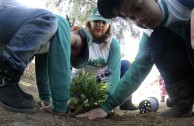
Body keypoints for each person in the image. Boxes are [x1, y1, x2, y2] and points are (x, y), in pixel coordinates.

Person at [76, 0, 194, 120]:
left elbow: (113, 71)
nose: (140, 20)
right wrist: (107, 106)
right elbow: (136, 71)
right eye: (132, 17)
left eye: (138, 8)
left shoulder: (180, 4)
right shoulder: (149, 36)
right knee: (158, 39)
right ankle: (182, 102)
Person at [0, 1, 92, 114]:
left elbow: (42, 69)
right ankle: (4, 78)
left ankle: (10, 80)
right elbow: (60, 65)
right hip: (3, 13)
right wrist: (60, 104)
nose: (67, 50)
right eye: (73, 45)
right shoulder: (60, 23)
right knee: (50, 19)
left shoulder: (44, 38)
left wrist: (45, 98)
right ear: (75, 29)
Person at [73, 7, 137, 110]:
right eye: (96, 21)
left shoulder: (112, 44)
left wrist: (107, 103)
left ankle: (125, 101)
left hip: (100, 81)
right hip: (79, 79)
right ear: (90, 22)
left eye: (104, 22)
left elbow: (113, 74)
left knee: (125, 64)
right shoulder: (80, 38)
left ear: (109, 25)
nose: (100, 24)